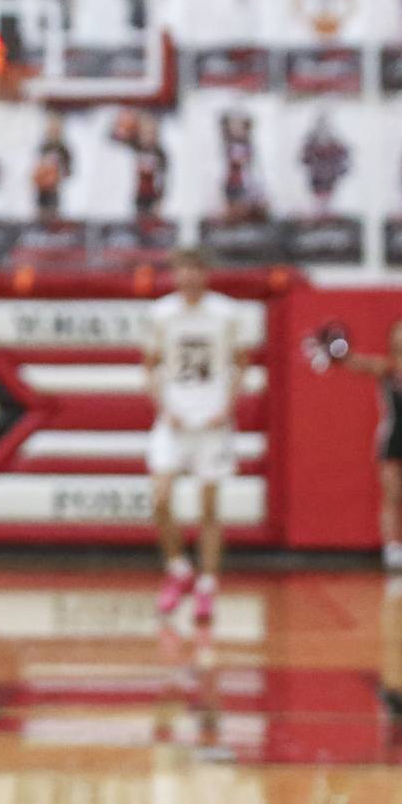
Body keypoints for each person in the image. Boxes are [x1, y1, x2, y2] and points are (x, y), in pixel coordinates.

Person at [144, 249, 249, 626]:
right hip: (174, 421)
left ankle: (207, 585)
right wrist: (162, 407)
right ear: (174, 274)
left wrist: (229, 406)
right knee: (160, 498)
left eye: (195, 269)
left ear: (206, 273)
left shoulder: (225, 314)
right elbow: (150, 365)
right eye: (181, 270)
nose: (188, 277)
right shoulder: (161, 314)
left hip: (212, 422)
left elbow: (241, 362)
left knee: (208, 507)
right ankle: (177, 569)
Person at [332, 318, 402, 570]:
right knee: (393, 494)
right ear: (392, 338)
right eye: (400, 332)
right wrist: (336, 347)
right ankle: (394, 549)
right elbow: (353, 362)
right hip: (395, 436)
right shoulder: (386, 367)